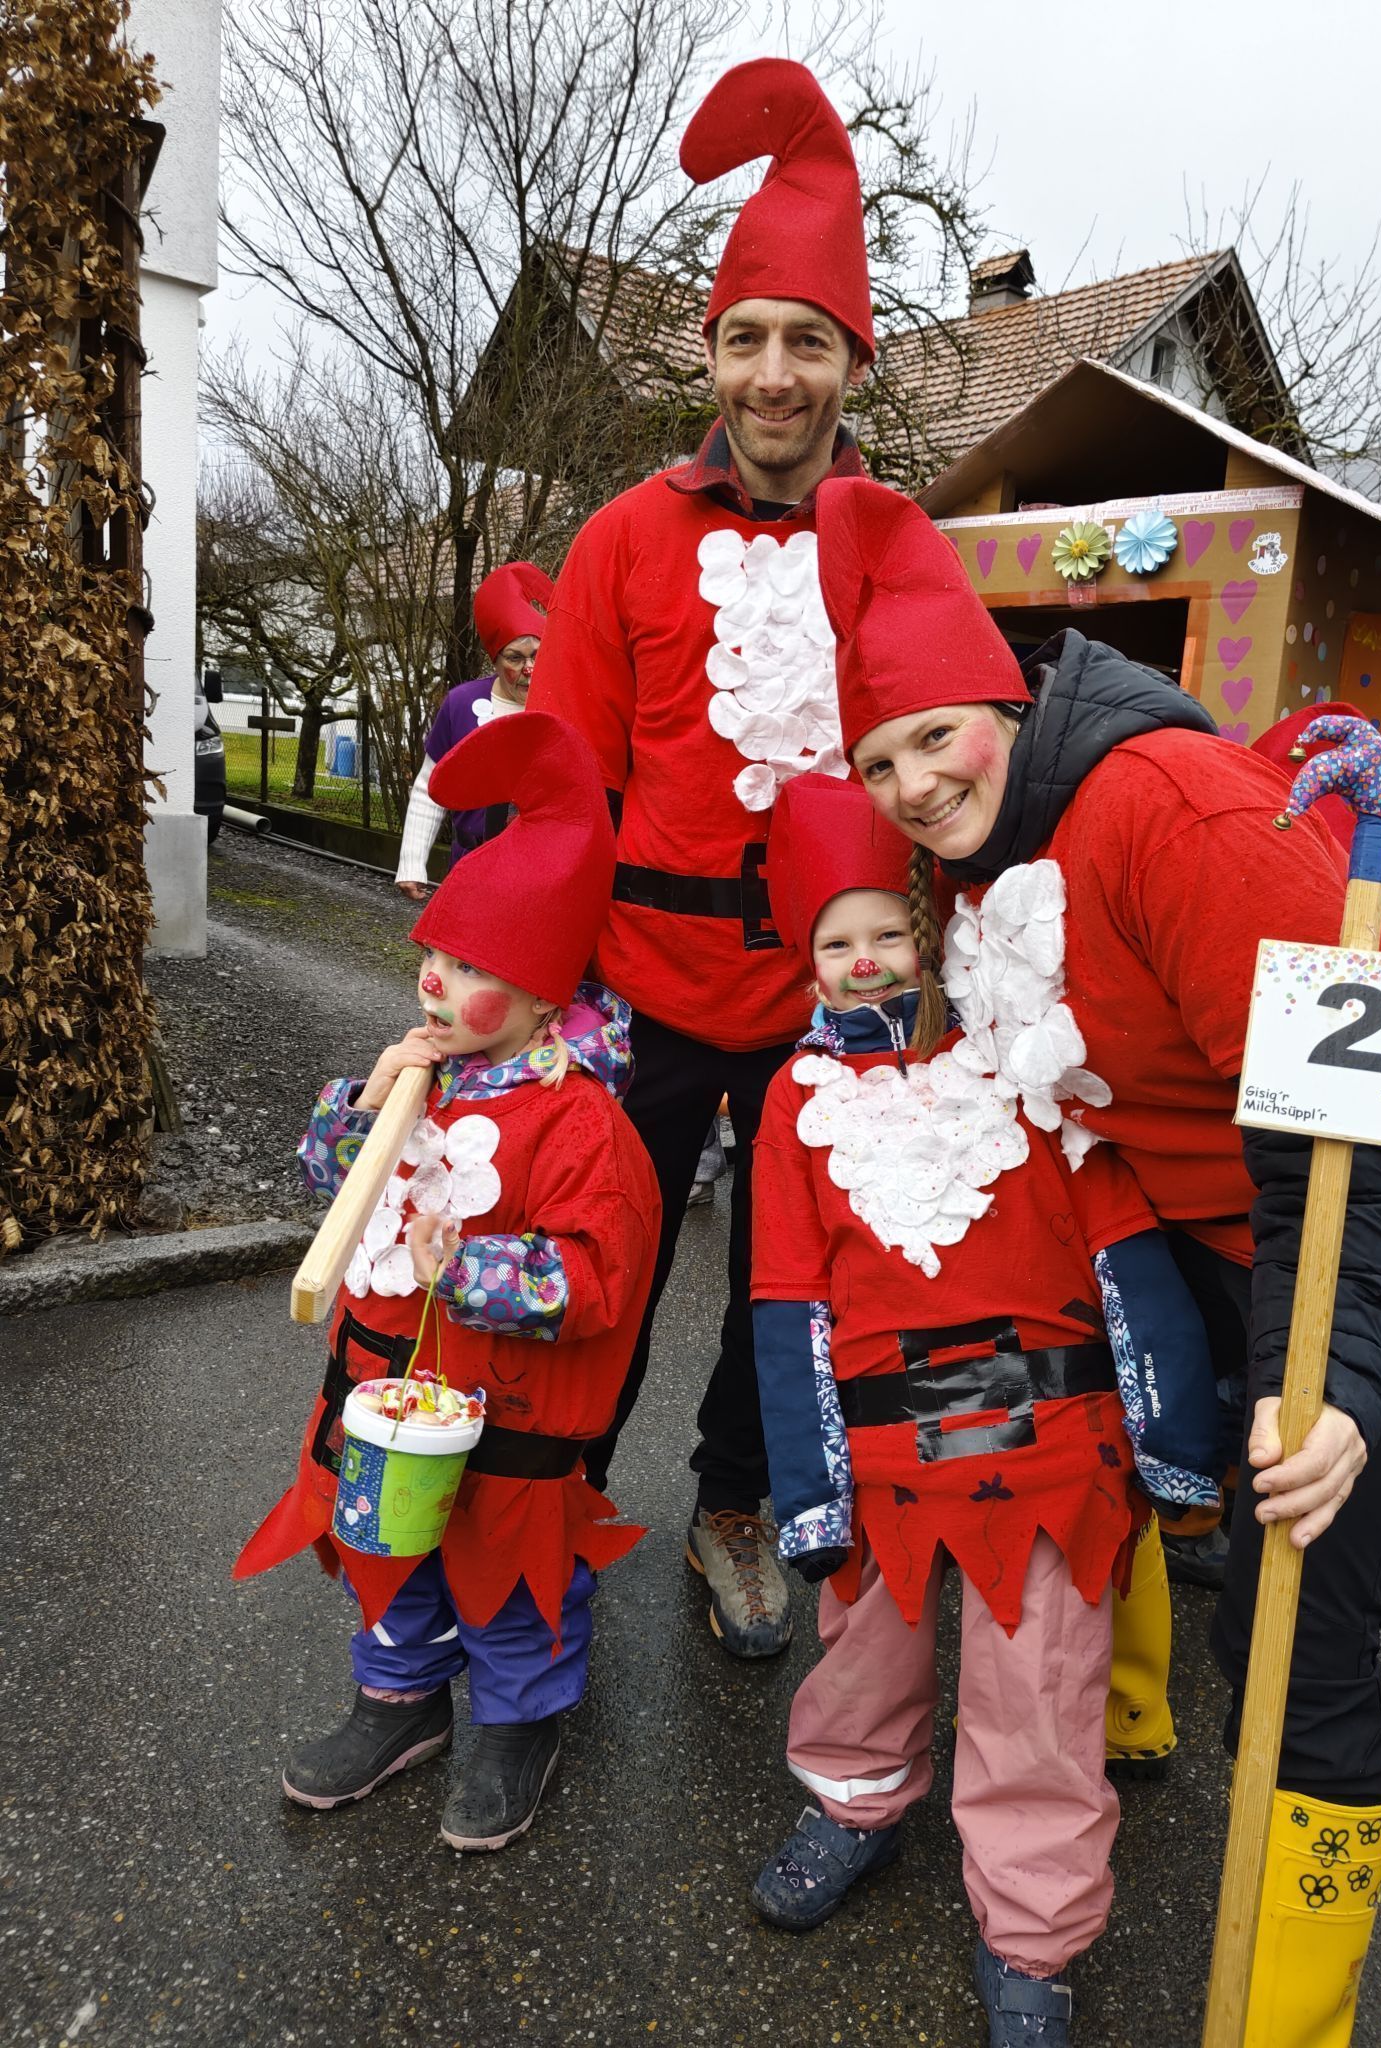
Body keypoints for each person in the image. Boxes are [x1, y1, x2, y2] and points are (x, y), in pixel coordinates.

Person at [817, 477, 1381, 2046]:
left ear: (1008, 696)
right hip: (1211, 1215)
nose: (914, 781)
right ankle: (1117, 1749)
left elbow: (1338, 1131)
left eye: (936, 735)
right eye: (880, 762)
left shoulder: (1170, 806)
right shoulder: (996, 847)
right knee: (1123, 1469)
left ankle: (1290, 2017)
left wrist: (1330, 1381)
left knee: (1295, 1612)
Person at [745, 772, 1218, 2046]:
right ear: (807, 963)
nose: (861, 962)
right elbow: (787, 1299)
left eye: (883, 934)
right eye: (832, 943)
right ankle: (855, 1805)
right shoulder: (796, 1103)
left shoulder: (1024, 1056)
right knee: (861, 1669)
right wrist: (808, 1486)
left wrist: (1172, 1438)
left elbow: (1121, 1239)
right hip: (887, 1452)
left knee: (1042, 1703)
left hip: (1054, 1448)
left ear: (925, 930)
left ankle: (1033, 1932)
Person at [526, 59, 879, 1657]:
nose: (774, 372)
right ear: (711, 357)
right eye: (747, 338)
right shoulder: (620, 539)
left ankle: (730, 1507)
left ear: (849, 359)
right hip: (638, 988)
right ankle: (561, 1501)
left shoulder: (895, 546)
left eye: (806, 340)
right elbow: (559, 785)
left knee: (779, 1284)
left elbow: (939, 771)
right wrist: (521, 994)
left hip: (821, 995)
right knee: (597, 1259)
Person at [235, 712, 661, 1852]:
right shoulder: (426, 1077)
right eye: (433, 955)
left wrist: (464, 1265)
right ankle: (398, 1699)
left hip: (505, 1420)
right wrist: (367, 1102)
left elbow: (596, 1276)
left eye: (472, 967)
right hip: (384, 1399)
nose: (435, 981)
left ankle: (518, 1720)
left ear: (538, 995)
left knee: (511, 1579)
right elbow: (337, 1189)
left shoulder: (580, 1122)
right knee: (386, 1552)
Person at [394, 561, 552, 900]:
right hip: (470, 870)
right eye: (514, 658)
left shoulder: (564, 707)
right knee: (452, 953)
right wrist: (412, 862)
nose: (528, 669)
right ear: (495, 660)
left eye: (537, 655)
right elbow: (429, 787)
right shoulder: (462, 704)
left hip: (542, 880)